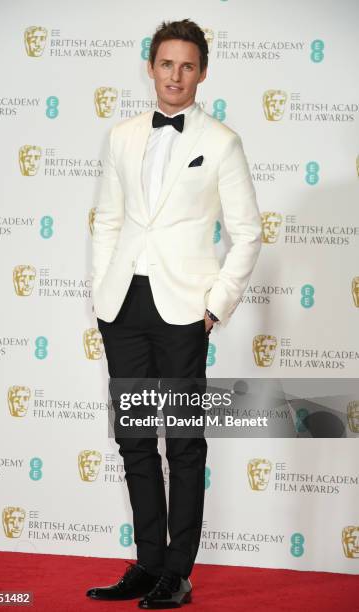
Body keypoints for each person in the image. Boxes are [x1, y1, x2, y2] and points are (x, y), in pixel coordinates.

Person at [87, 18, 262, 609]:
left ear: (203, 73)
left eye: (188, 66)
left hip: (186, 308)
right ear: (151, 67)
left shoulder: (221, 141)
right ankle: (148, 563)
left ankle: (179, 573)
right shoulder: (122, 136)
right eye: (167, 64)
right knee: (135, 438)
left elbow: (248, 234)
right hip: (124, 306)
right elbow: (108, 220)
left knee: (183, 442)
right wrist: (99, 291)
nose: (176, 76)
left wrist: (216, 306)